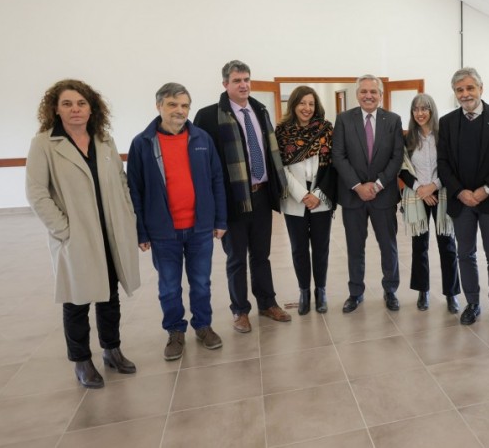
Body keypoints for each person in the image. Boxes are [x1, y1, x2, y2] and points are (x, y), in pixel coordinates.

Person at [26, 79, 140, 389]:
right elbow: (36, 193)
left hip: (110, 231)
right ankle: (81, 360)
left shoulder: (104, 141)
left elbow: (121, 179)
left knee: (110, 296)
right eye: (67, 103)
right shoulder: (44, 144)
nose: (75, 109)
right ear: (56, 109)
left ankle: (112, 349)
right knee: (76, 300)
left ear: (92, 108)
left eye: (81, 103)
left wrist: (127, 215)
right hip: (76, 235)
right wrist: (63, 229)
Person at [127, 83, 227, 360]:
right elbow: (134, 189)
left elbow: (217, 179)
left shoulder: (202, 139)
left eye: (184, 105)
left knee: (201, 282)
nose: (179, 110)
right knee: (169, 285)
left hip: (200, 228)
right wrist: (141, 231)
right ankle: (175, 331)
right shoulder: (143, 143)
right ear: (159, 106)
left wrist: (220, 218)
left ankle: (203, 326)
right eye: (172, 104)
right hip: (163, 232)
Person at [193, 60, 291, 333]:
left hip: (261, 196)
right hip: (232, 199)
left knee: (262, 255)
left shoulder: (260, 110)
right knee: (236, 259)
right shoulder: (208, 116)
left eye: (246, 79)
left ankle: (267, 303)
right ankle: (240, 310)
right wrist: (212, 208)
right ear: (225, 84)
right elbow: (203, 165)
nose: (243, 84)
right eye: (237, 80)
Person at [437, 67, 489, 327]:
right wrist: (461, 192)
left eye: (470, 88)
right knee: (465, 254)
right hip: (461, 202)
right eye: (460, 90)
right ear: (455, 93)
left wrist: (485, 190)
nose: (465, 94)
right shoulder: (447, 122)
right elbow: (443, 163)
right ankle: (472, 302)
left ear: (481, 89)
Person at [332, 75, 404, 313]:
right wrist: (357, 186)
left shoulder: (393, 120)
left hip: (383, 196)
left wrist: (378, 185)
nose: (368, 96)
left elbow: (396, 157)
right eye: (364, 91)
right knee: (355, 247)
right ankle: (355, 292)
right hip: (353, 197)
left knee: (388, 246)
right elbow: (338, 156)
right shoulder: (343, 119)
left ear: (380, 95)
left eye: (373, 91)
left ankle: (390, 290)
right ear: (357, 94)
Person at [275, 86, 337, 315]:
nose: (307, 108)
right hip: (295, 198)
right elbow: (280, 169)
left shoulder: (326, 129)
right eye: (302, 103)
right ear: (293, 105)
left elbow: (333, 166)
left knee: (321, 247)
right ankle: (304, 291)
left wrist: (318, 195)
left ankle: (320, 290)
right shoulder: (281, 132)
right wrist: (302, 194)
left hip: (322, 196)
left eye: (311, 104)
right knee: (299, 249)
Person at [398, 93, 460, 312]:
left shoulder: (444, 136)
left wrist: (433, 186)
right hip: (417, 196)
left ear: (432, 110)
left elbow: (452, 166)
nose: (420, 113)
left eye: (425, 108)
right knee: (419, 247)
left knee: (447, 246)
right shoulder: (408, 139)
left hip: (441, 193)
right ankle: (423, 291)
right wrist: (420, 190)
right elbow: (402, 169)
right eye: (416, 109)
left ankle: (451, 294)